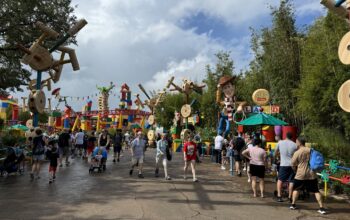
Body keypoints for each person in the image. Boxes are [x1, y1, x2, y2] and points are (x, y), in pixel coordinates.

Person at [290, 136, 326, 214]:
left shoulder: (297, 152)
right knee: (316, 191)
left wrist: (295, 170)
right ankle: (322, 208)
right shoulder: (312, 151)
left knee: (296, 189)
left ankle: (293, 205)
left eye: (296, 142)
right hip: (311, 174)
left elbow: (292, 163)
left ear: (299, 143)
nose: (296, 143)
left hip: (300, 174)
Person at [274, 132, 297, 202]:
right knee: (291, 181)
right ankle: (290, 197)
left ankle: (279, 196)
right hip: (292, 165)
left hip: (283, 164)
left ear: (285, 136)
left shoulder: (280, 143)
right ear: (292, 137)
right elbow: (296, 155)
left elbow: (275, 152)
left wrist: (278, 156)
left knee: (280, 180)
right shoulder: (295, 145)